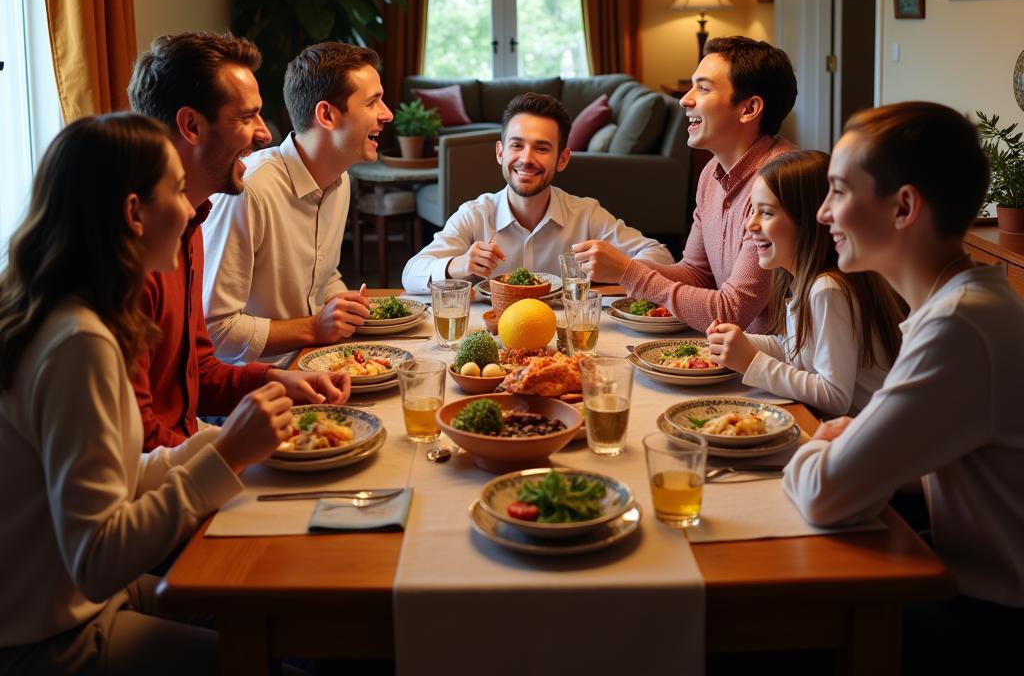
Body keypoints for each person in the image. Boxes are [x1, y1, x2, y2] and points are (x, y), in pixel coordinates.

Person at [0, 113, 293, 674]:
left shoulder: (60, 312)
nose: (189, 211)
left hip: (81, 604)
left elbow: (122, 477)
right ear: (134, 213)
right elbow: (96, 558)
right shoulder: (77, 344)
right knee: (273, 646)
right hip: (53, 637)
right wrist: (227, 456)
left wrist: (224, 444)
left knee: (273, 606)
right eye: (178, 192)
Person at [782, 102, 1023, 665]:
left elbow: (821, 494)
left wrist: (820, 442)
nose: (821, 214)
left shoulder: (959, 326)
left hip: (992, 621)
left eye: (838, 191)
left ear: (904, 207)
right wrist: (856, 442)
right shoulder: (962, 304)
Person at [127, 32, 350, 451]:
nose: (265, 134)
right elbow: (141, 443)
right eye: (246, 117)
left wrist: (278, 380)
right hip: (167, 475)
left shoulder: (191, 224)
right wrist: (230, 452)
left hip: (189, 451)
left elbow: (199, 370)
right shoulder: (134, 256)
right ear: (191, 126)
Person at [573, 36, 798, 332]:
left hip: (773, 365)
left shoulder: (779, 182)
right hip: (730, 354)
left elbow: (732, 311)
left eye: (703, 88)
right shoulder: (711, 174)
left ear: (749, 109)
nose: (684, 99)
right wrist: (616, 268)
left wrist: (627, 272)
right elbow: (696, 273)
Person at [203, 42, 390, 367]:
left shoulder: (339, 179)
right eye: (373, 102)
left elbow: (322, 275)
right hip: (248, 395)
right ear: (326, 115)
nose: (387, 114)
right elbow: (215, 330)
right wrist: (314, 328)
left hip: (316, 363)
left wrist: (349, 308)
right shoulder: (249, 191)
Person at [401, 92, 673, 292]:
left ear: (563, 159)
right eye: (517, 145)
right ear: (500, 152)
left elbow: (660, 256)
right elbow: (410, 274)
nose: (526, 159)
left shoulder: (586, 214)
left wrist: (621, 268)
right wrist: (457, 266)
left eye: (542, 148)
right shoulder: (475, 214)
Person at [705, 150, 903, 414]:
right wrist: (742, 342)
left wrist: (752, 362)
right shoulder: (805, 281)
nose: (750, 225)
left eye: (766, 213)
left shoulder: (828, 289)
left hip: (863, 435)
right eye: (753, 211)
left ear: (807, 221)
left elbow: (835, 396)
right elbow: (798, 351)